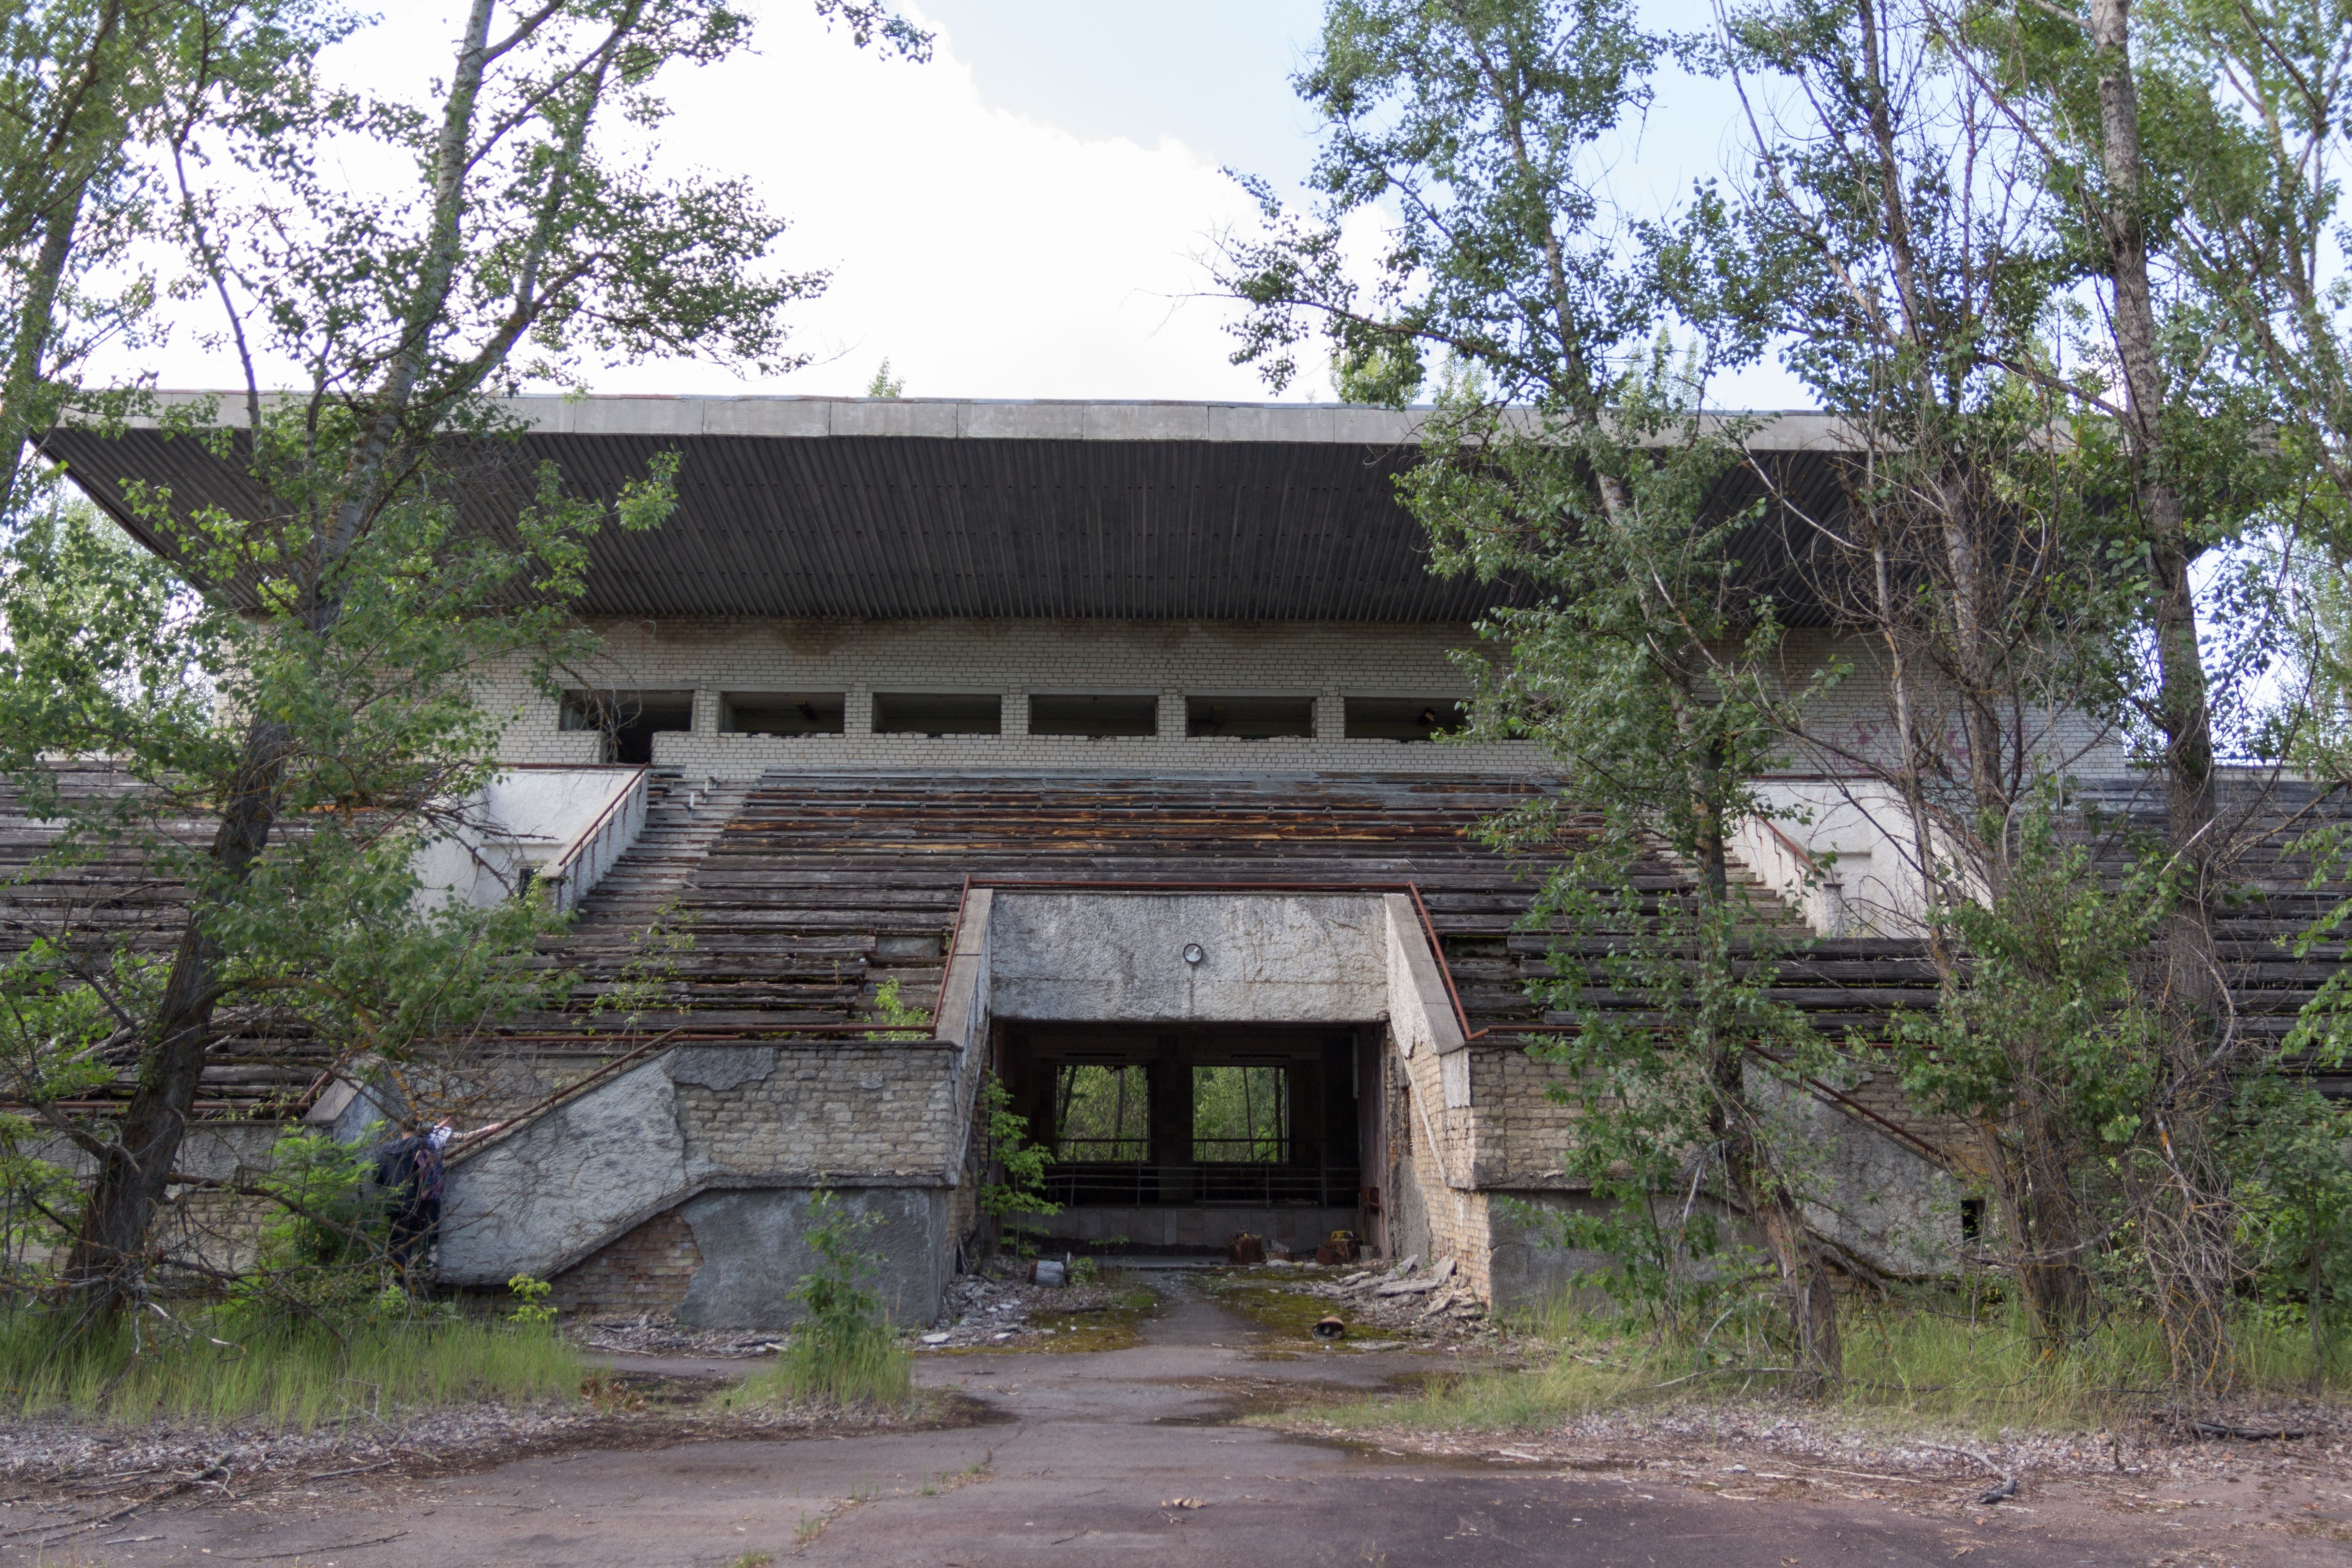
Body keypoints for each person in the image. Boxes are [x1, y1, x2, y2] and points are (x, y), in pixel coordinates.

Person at [373, 1119, 503, 1280]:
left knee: (398, 1241)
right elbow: (435, 1172)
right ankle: (422, 1266)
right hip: (419, 1203)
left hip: (395, 1204)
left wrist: (391, 1192)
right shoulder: (424, 1144)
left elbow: (376, 1177)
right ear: (419, 1129)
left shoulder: (385, 1150)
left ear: (402, 1130)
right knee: (425, 1231)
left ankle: (398, 1278)